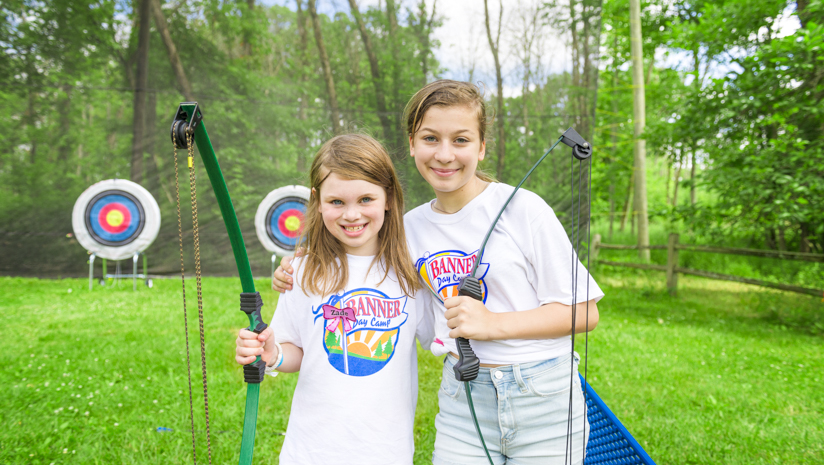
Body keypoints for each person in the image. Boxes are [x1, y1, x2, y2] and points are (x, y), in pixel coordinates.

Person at [273, 80, 603, 465]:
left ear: (481, 147)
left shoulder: (525, 210)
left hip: (542, 396)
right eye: (430, 138)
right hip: (464, 398)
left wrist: (492, 324)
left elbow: (586, 312)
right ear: (412, 143)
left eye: (461, 140)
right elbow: (353, 259)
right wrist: (298, 266)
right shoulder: (407, 230)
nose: (445, 154)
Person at [236, 133, 433, 465]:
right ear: (317, 200)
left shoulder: (412, 273)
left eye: (366, 199)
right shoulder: (302, 270)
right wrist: (271, 354)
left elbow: (443, 337)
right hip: (311, 451)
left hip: (386, 452)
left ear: (388, 197)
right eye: (337, 202)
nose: (351, 215)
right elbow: (297, 351)